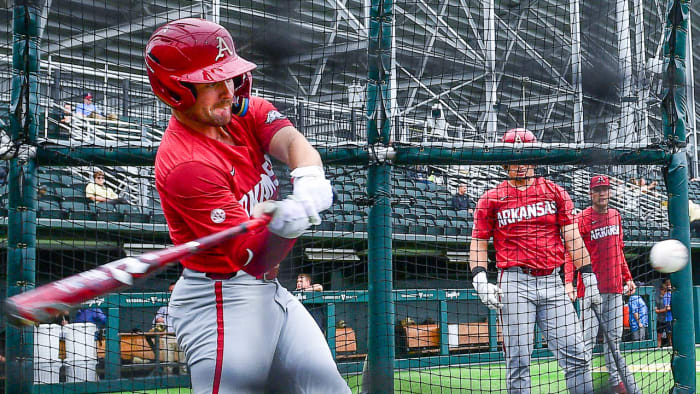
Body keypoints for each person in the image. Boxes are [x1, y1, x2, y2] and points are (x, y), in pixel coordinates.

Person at [146, 18, 349, 394]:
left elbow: (292, 143)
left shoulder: (241, 112)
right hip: (221, 302)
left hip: (270, 290)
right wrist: (287, 225)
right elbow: (251, 256)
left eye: (230, 77)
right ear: (176, 90)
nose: (227, 89)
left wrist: (309, 180)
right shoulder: (186, 165)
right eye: (211, 82)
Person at [469, 128, 597, 393]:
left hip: (552, 280)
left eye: (526, 157)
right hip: (514, 282)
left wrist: (589, 275)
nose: (521, 164)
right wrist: (479, 279)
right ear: (504, 161)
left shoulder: (555, 192)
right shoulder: (491, 198)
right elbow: (479, 242)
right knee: (518, 363)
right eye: (515, 158)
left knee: (578, 355)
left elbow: (572, 236)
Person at [564, 175, 638, 393]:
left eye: (605, 189)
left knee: (614, 341)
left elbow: (619, 250)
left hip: (615, 288)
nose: (602, 193)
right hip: (590, 290)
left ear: (610, 192)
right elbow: (572, 253)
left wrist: (628, 277)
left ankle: (616, 383)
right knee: (586, 341)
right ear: (591, 193)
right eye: (598, 190)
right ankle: (584, 386)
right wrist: (568, 281)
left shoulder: (616, 215)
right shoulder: (582, 218)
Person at [151, 282, 186, 375]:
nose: (172, 293)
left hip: (182, 337)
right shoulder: (164, 307)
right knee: (168, 364)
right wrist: (159, 319)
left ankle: (184, 382)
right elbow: (155, 320)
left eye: (174, 291)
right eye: (170, 291)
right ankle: (168, 383)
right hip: (168, 337)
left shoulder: (185, 305)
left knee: (184, 365)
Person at [655, 279, 672, 347]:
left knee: (669, 334)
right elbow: (656, 310)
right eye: (663, 290)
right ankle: (658, 347)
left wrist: (669, 308)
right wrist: (664, 310)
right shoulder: (657, 298)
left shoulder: (669, 296)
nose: (664, 292)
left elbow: (671, 307)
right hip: (660, 320)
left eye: (665, 290)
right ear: (660, 290)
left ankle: (671, 345)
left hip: (668, 319)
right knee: (659, 335)